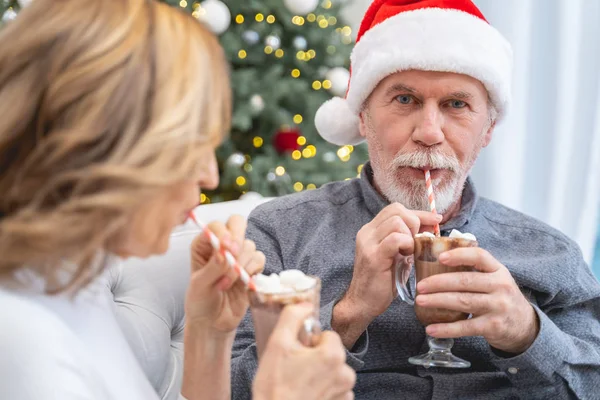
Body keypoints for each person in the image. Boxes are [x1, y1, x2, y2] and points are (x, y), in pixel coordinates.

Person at [231, 0, 600, 398]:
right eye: (404, 100)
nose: (429, 132)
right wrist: (348, 313)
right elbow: (227, 386)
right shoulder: (282, 233)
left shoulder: (551, 253)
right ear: (362, 116)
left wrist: (528, 334)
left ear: (488, 129)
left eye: (456, 105)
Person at [0, 1, 356, 399]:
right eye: (194, 142)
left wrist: (209, 334)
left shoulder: (65, 284)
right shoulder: (20, 337)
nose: (210, 175)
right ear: (103, 139)